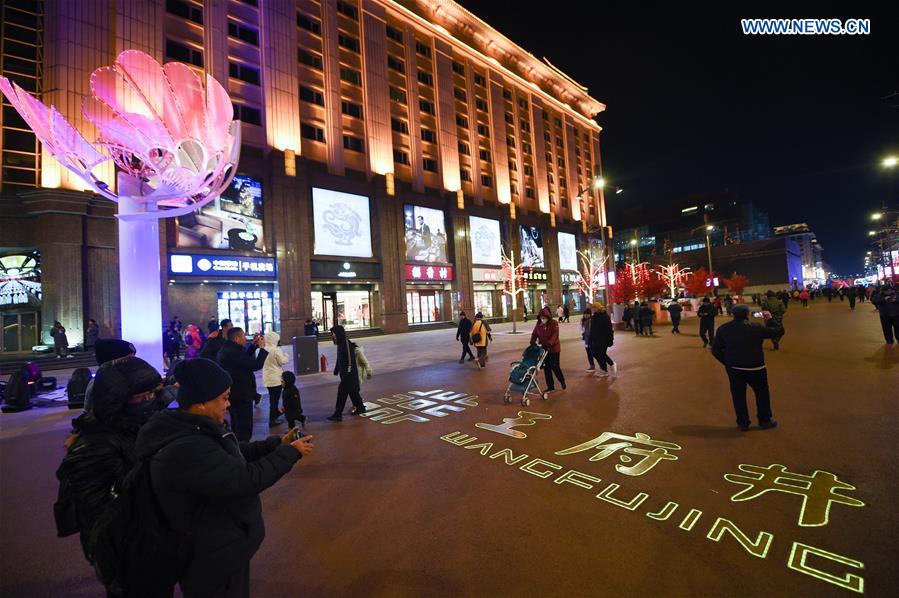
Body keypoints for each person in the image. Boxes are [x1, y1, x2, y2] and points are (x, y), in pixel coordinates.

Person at [135, 358, 314, 598]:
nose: (228, 404)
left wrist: (276, 444)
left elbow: (234, 454)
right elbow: (245, 479)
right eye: (224, 398)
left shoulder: (194, 426)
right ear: (200, 402)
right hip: (210, 553)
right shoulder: (189, 446)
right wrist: (290, 453)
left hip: (220, 543)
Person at [55, 357, 164, 567]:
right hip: (125, 549)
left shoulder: (135, 426)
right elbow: (103, 514)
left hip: (149, 541)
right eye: (141, 396)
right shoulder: (93, 447)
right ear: (117, 400)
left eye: (151, 394)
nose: (149, 400)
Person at [711, 305, 783, 431]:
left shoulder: (724, 329)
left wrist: (727, 362)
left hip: (735, 368)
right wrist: (770, 319)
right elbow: (778, 331)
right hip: (756, 367)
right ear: (747, 314)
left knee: (738, 395)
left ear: (733, 314)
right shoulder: (756, 327)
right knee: (762, 393)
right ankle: (765, 420)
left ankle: (743, 422)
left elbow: (715, 349)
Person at [216, 327, 267, 441]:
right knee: (244, 425)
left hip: (235, 392)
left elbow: (244, 359)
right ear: (237, 338)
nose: (245, 339)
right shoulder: (233, 352)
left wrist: (253, 346)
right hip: (241, 394)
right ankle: (244, 449)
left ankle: (240, 445)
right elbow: (255, 365)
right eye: (243, 336)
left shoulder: (229, 348)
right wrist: (262, 349)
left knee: (237, 423)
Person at [83, 338, 137, 412]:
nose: (135, 363)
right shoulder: (97, 384)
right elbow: (90, 414)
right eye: (129, 359)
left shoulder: (133, 378)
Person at [327, 325, 367, 421]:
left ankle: (338, 414)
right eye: (332, 334)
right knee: (353, 392)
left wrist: (347, 372)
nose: (333, 336)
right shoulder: (340, 344)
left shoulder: (345, 343)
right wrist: (337, 369)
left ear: (339, 334)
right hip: (347, 375)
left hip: (349, 375)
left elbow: (349, 359)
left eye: (334, 334)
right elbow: (339, 359)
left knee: (342, 394)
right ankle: (360, 408)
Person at [531, 307, 566, 392]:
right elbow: (535, 333)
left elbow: (555, 335)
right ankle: (550, 386)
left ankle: (562, 381)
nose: (542, 320)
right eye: (541, 318)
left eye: (544, 318)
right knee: (547, 368)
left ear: (548, 317)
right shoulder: (538, 324)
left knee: (555, 366)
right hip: (543, 349)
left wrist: (549, 343)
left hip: (554, 349)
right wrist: (532, 341)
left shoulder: (554, 323)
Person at [262, 331, 290, 427]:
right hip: (276, 378)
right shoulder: (276, 350)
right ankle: (272, 419)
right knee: (274, 400)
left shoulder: (263, 349)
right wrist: (286, 356)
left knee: (272, 399)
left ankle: (275, 415)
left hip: (267, 378)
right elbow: (282, 362)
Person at [588, 303, 616, 378]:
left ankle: (604, 370)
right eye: (592, 308)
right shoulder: (593, 317)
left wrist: (610, 340)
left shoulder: (605, 316)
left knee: (601, 354)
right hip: (595, 340)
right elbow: (592, 330)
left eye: (594, 308)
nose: (592, 309)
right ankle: (611, 363)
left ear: (598, 308)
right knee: (595, 353)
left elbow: (609, 330)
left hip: (604, 340)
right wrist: (590, 340)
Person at [580, 307, 595, 371]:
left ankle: (602, 366)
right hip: (586, 339)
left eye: (587, 314)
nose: (586, 315)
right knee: (588, 353)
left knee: (594, 353)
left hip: (591, 340)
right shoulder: (583, 321)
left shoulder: (592, 320)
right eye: (585, 314)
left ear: (590, 314)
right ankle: (592, 366)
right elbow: (582, 330)